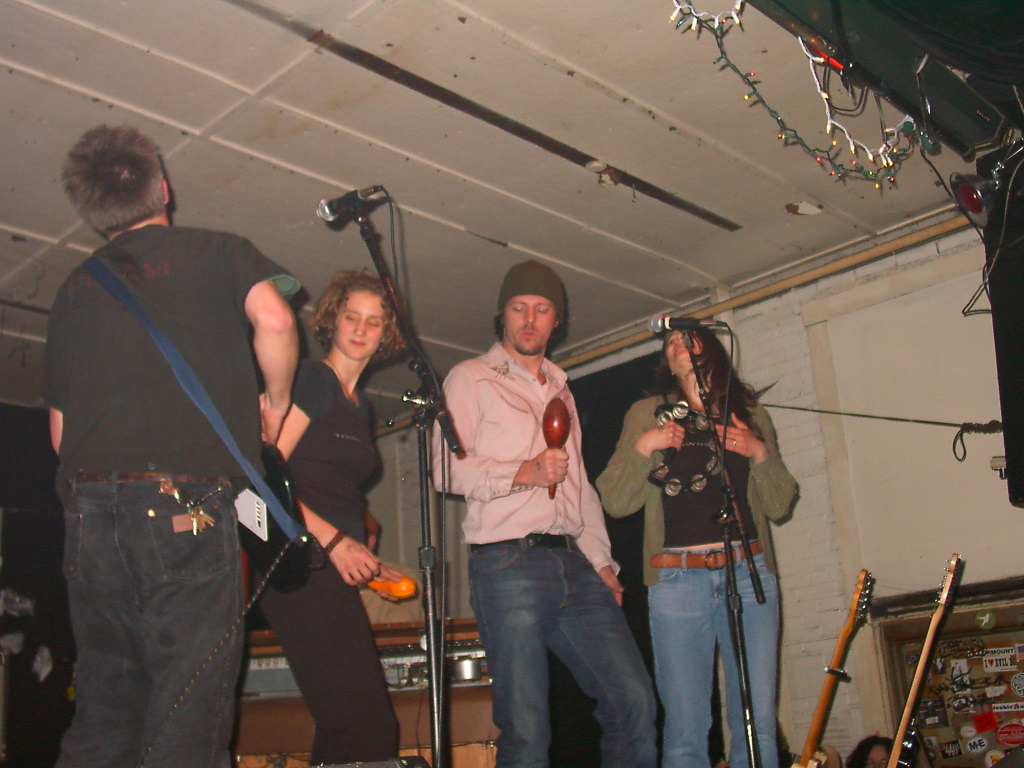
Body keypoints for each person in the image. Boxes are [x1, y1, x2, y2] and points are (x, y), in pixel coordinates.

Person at [43, 125, 299, 768]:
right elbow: (275, 319)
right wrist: (275, 402)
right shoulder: (219, 249)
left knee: (104, 711)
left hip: (89, 516)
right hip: (184, 506)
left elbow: (60, 435)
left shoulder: (73, 288)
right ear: (163, 187)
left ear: (92, 212)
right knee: (188, 708)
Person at [433, 259, 658, 768]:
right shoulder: (470, 378)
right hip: (507, 564)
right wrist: (525, 472)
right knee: (528, 726)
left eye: (541, 308)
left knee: (633, 702)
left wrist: (602, 562)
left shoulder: (562, 389)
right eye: (519, 308)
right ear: (502, 315)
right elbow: (444, 469)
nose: (529, 319)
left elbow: (579, 487)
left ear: (558, 319)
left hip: (574, 565)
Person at [596, 325, 797, 768]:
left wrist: (760, 453)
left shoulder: (749, 412)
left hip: (749, 573)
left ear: (712, 347)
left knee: (756, 720)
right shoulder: (647, 413)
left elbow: (780, 504)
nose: (678, 344)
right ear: (667, 364)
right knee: (686, 726)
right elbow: (615, 500)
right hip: (678, 580)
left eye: (688, 337)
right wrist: (644, 446)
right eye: (670, 343)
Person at [256, 270, 407, 764]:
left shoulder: (360, 407)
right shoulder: (313, 380)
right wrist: (335, 542)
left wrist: (367, 559)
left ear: (387, 333)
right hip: (299, 561)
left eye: (374, 321)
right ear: (332, 320)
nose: (361, 329)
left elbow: (335, 490)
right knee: (368, 723)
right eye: (351, 317)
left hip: (330, 564)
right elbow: (265, 477)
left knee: (342, 724)